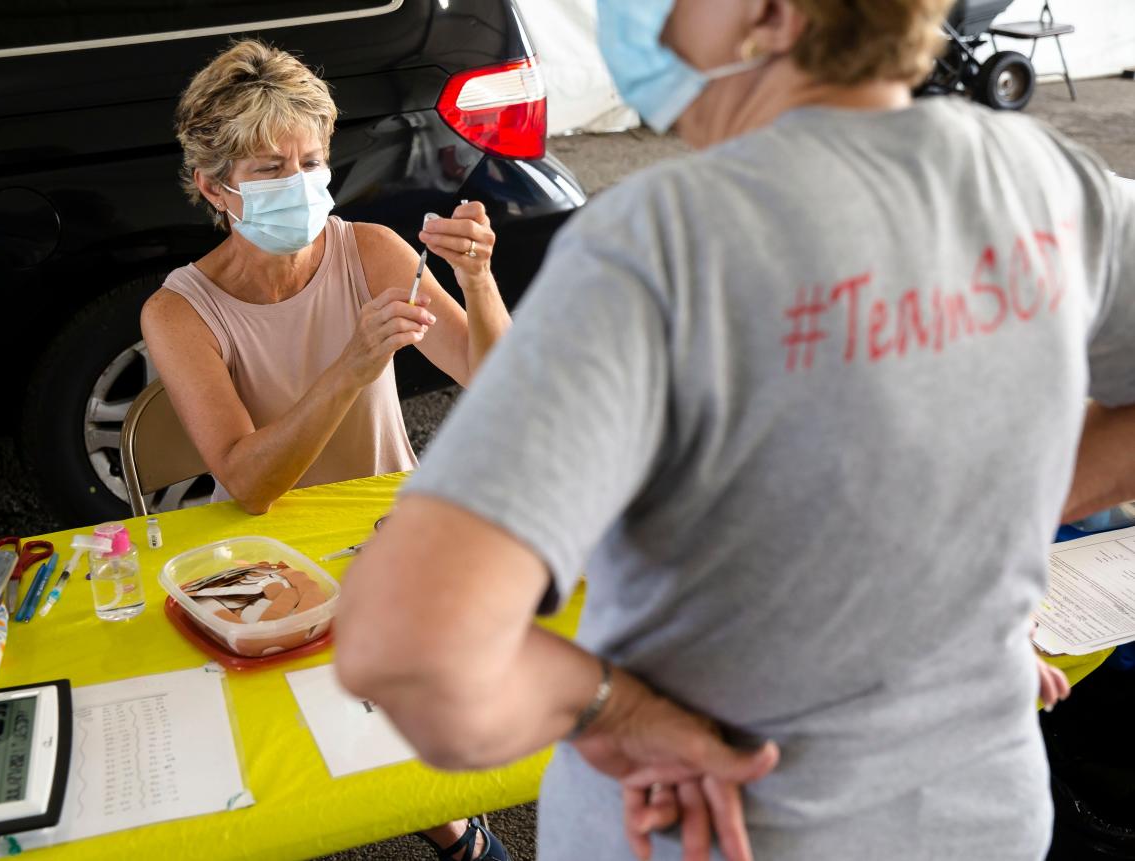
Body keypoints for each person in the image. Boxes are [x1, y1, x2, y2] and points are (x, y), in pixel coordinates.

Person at [333, 0, 1135, 859]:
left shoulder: (661, 245)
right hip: (984, 819)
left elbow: (408, 638)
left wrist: (618, 712)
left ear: (776, 15)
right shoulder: (1052, 182)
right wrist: (970, 512)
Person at [141, 40, 510, 861]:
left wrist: (479, 279)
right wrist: (353, 363)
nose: (303, 182)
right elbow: (249, 481)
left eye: (312, 160)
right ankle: (434, 811)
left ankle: (443, 813)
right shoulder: (178, 313)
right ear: (214, 186)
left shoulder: (371, 250)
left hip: (392, 531)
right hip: (271, 559)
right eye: (272, 168)